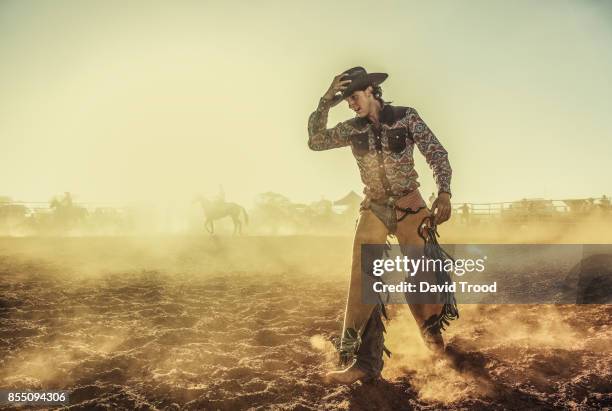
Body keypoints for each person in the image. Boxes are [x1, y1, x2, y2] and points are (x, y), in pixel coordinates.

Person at [307, 67, 455, 384]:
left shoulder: (406, 116)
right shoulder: (350, 128)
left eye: (354, 97)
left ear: (372, 90)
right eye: (345, 100)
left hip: (409, 202)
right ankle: (365, 363)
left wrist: (444, 191)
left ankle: (435, 344)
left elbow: (437, 154)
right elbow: (315, 142)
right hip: (373, 206)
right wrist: (326, 101)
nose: (350, 104)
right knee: (364, 276)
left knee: (420, 275)